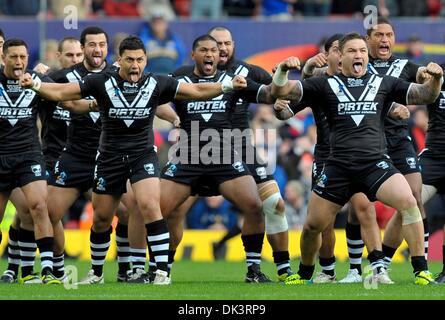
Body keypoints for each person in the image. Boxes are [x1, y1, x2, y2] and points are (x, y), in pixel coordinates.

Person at [20, 35, 248, 285]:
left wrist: (226, 86)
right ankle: (96, 273)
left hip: (142, 156)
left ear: (146, 61)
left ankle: (160, 271)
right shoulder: (100, 81)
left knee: (150, 205)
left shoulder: (157, 83)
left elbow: (195, 90)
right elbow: (63, 91)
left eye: (140, 60)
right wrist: (36, 86)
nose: (135, 65)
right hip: (109, 158)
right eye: (130, 60)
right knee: (101, 219)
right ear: (120, 61)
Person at [271, 32, 442, 285]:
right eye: (352, 51)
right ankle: (306, 274)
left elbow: (426, 95)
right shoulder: (323, 84)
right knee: (312, 227)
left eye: (362, 51)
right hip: (338, 166)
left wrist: (436, 78)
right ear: (340, 59)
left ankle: (421, 270)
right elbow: (281, 90)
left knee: (409, 202)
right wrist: (283, 70)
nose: (359, 55)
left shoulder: (384, 83)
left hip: (374, 164)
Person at [166, 26, 297, 283]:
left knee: (273, 204)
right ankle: (161, 268)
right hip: (197, 148)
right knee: (173, 212)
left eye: (226, 44)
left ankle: (281, 269)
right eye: (216, 44)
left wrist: (282, 96)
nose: (222, 49)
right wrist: (172, 117)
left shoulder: (247, 72)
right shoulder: (185, 75)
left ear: (233, 45)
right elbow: (157, 98)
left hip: (241, 145)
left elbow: (276, 94)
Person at [275, 33, 391, 284]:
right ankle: (327, 271)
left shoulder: (367, 83)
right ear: (329, 56)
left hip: (358, 158)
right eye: (339, 50)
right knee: (321, 223)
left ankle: (370, 269)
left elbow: (381, 103)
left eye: (347, 50)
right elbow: (287, 110)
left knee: (363, 208)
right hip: (327, 159)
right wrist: (280, 107)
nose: (345, 55)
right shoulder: (320, 85)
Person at [365, 17, 430, 273]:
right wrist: (391, 108)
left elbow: (425, 82)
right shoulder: (358, 66)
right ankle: (345, 269)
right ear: (368, 39)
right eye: (379, 35)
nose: (384, 40)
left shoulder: (404, 65)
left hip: (399, 140)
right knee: (360, 206)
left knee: (413, 199)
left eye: (389, 35)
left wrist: (428, 74)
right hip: (368, 140)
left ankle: (404, 263)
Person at [0, 38, 62, 284]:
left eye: (23, 57)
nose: (18, 62)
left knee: (38, 207)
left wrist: (92, 104)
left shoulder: (37, 82)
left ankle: (45, 270)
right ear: (3, 58)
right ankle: (20, 270)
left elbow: (65, 97)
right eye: (13, 57)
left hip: (29, 155)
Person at [418, 63, 445, 283]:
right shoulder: (439, 74)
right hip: (433, 157)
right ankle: (383, 264)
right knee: (407, 202)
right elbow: (417, 87)